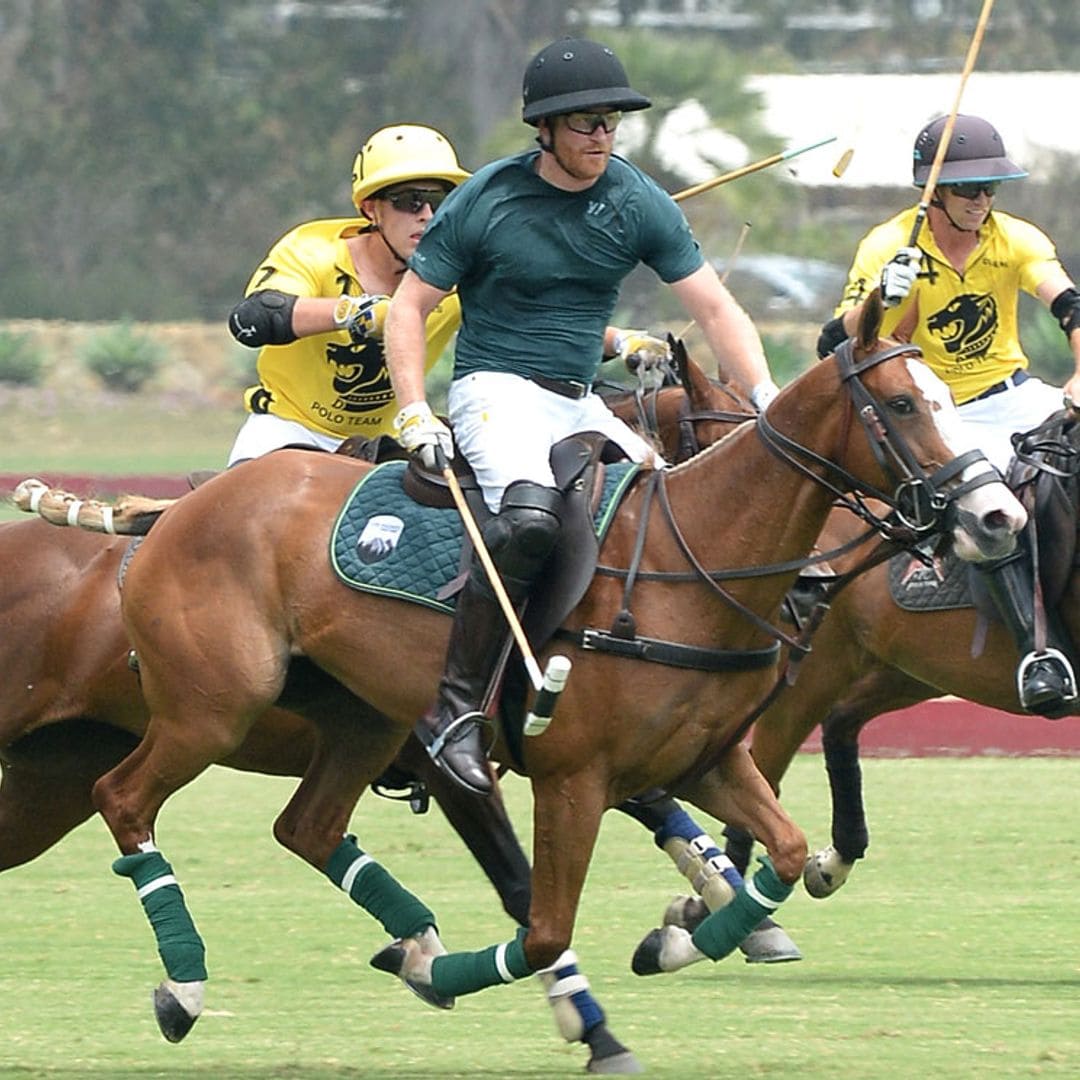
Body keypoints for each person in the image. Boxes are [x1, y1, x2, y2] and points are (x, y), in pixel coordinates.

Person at [384, 37, 780, 795]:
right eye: (585, 123)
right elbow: (409, 309)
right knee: (528, 521)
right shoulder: (489, 199)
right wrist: (414, 413)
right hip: (494, 391)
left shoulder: (636, 202)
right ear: (547, 129)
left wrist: (763, 399)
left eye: (610, 122)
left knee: (673, 506)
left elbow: (715, 306)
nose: (601, 136)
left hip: (579, 399)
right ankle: (456, 711)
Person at [818, 113, 1080, 717]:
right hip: (940, 413)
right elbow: (835, 343)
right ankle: (1037, 653)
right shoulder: (888, 246)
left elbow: (1067, 305)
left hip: (1014, 394)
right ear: (932, 191)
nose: (982, 200)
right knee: (999, 512)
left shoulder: (1015, 237)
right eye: (968, 188)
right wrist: (884, 293)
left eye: (991, 188)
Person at [225, 123, 470, 465]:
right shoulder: (312, 249)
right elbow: (252, 320)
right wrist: (359, 313)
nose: (427, 215)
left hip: (388, 441)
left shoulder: (462, 268)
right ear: (371, 209)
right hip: (289, 429)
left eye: (438, 202)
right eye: (409, 202)